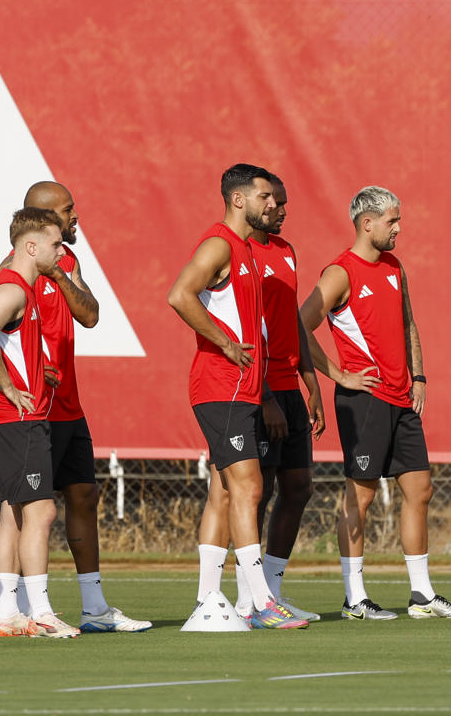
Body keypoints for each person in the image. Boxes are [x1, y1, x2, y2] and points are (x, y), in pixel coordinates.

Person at [0, 181, 149, 633]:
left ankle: (95, 607)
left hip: (67, 405)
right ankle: (18, 608)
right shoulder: (14, 269)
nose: (75, 218)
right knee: (23, 508)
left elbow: (90, 314)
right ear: (42, 218)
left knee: (82, 495)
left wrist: (61, 274)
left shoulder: (64, 262)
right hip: (30, 408)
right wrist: (22, 365)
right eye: (68, 211)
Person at [300, 184, 451, 620]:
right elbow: (301, 325)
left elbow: (408, 322)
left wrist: (419, 375)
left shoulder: (395, 267)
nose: (399, 227)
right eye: (392, 220)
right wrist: (337, 374)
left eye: (399, 219)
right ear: (367, 223)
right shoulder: (340, 271)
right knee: (360, 497)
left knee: (420, 489)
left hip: (402, 399)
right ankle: (354, 597)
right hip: (365, 402)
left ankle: (422, 595)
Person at [165, 163, 304, 629]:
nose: (274, 204)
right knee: (249, 487)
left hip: (242, 389)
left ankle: (210, 600)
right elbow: (179, 294)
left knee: (228, 492)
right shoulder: (220, 242)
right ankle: (261, 602)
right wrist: (224, 342)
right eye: (265, 196)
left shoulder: (246, 249)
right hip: (220, 388)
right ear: (239, 199)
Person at [0, 207, 78, 639]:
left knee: (14, 515)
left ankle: (6, 614)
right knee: (43, 510)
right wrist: (10, 387)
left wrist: (33, 372)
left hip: (13, 416)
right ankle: (41, 613)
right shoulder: (14, 287)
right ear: (30, 246)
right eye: (55, 243)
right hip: (18, 418)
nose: (61, 250)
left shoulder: (21, 289)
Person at [241, 173, 324, 621]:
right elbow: (248, 328)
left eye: (284, 201)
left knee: (299, 487)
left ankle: (270, 591)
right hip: (259, 390)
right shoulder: (241, 252)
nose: (281, 208)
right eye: (273, 200)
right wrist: (268, 394)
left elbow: (290, 318)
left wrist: (311, 382)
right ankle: (248, 596)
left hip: (291, 387)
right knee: (260, 490)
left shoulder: (287, 251)